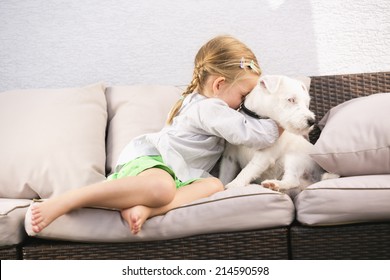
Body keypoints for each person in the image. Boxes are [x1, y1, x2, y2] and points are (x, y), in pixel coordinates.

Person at [29, 35, 283, 235]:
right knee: (161, 187)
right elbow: (252, 135)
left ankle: (148, 209)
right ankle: (68, 199)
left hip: (179, 176)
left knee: (214, 185)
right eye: (242, 96)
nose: (243, 105)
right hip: (151, 162)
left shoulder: (202, 102)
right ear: (218, 85)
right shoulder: (210, 108)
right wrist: (283, 120)